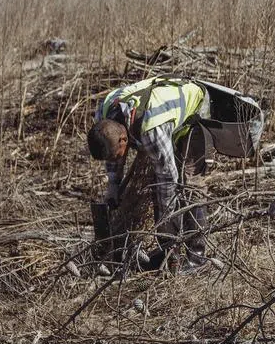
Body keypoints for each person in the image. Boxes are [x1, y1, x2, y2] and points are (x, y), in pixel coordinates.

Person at [86, 77, 211, 272]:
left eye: (115, 155)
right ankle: (168, 253)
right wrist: (112, 187)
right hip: (161, 111)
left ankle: (196, 257)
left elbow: (168, 181)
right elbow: (114, 157)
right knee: (158, 182)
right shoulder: (103, 115)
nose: (115, 160)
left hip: (195, 109)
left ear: (123, 139)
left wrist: (166, 224)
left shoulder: (151, 128)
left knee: (188, 183)